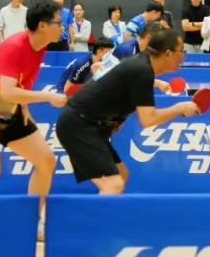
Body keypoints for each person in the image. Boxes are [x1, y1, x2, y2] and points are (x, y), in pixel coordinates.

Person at [0, 1, 68, 240]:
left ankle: (31, 223)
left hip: (12, 112)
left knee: (46, 161)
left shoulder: (40, 47)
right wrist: (48, 97)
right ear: (42, 25)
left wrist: (24, 106)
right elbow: (8, 91)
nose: (62, 27)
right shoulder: (13, 46)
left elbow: (21, 83)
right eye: (58, 23)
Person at [55, 28, 199, 194]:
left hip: (90, 125)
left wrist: (116, 120)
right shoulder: (142, 70)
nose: (183, 56)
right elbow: (148, 119)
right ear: (168, 53)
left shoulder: (141, 64)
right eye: (182, 51)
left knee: (121, 175)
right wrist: (180, 108)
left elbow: (117, 91)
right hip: (78, 125)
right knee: (113, 185)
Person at [95, 20, 172, 90]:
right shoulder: (128, 50)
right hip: (99, 87)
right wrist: (158, 83)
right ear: (149, 38)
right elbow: (131, 79)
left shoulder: (140, 49)